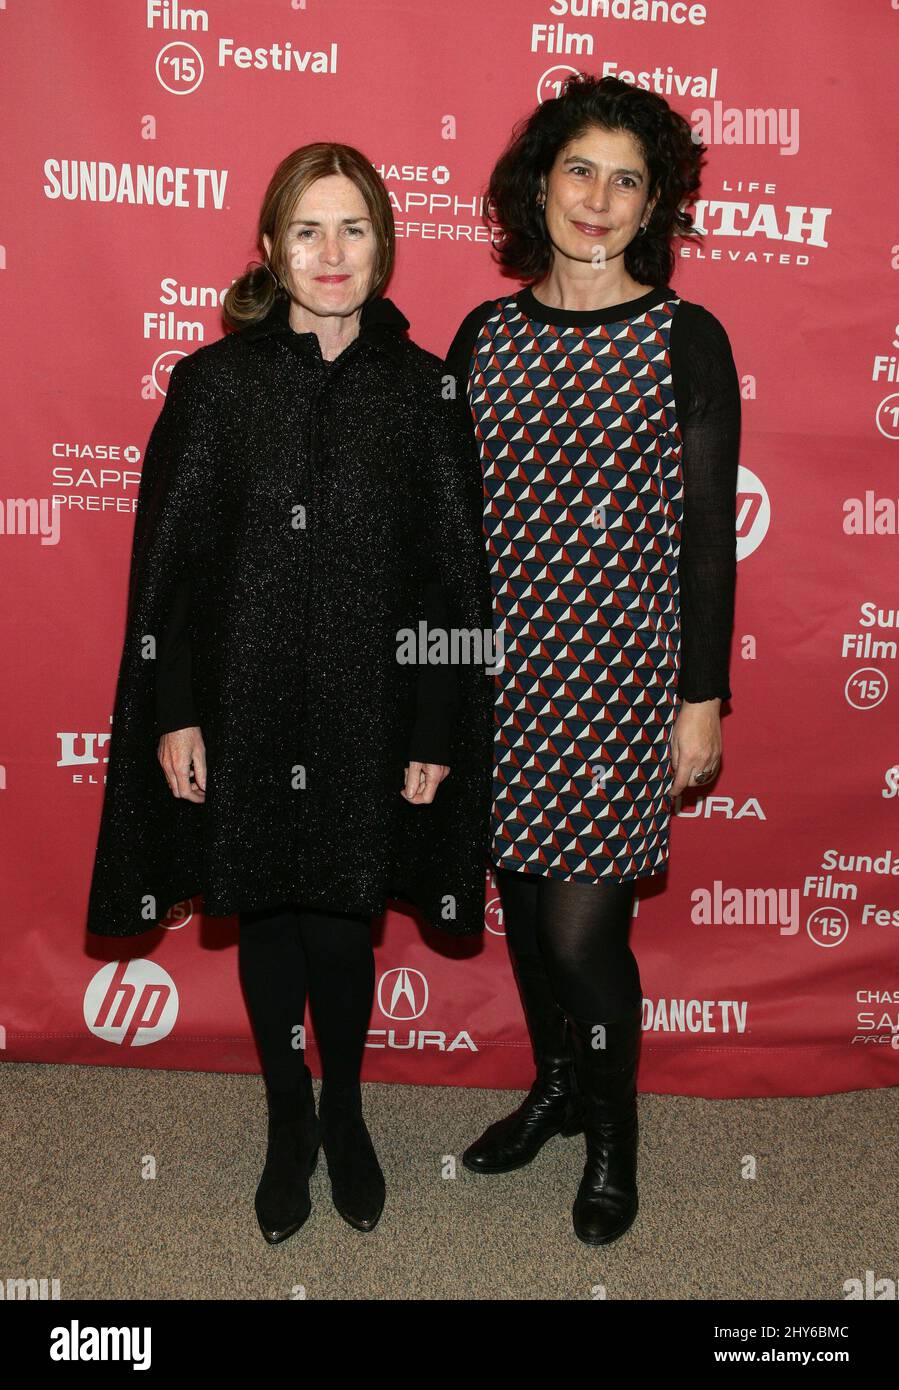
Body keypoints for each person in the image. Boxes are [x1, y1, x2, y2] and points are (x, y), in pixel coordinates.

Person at [85, 143, 494, 1245]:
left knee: (340, 920)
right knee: (265, 904)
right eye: (306, 230)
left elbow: (455, 571)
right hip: (244, 703)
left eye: (352, 228)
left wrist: (435, 722)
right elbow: (169, 570)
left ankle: (346, 1112)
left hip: (371, 706)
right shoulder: (213, 385)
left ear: (384, 248)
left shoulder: (424, 391)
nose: (329, 252)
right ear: (269, 248)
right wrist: (174, 709)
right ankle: (286, 1116)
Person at [444, 75, 741, 1245]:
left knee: (580, 935)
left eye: (628, 179)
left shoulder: (684, 339)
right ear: (540, 181)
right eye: (580, 170)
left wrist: (699, 699)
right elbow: (453, 534)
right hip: (496, 679)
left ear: (653, 202)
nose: (599, 199)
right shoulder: (484, 336)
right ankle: (557, 1086)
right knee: (523, 917)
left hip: (618, 686)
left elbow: (706, 539)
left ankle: (612, 1132)